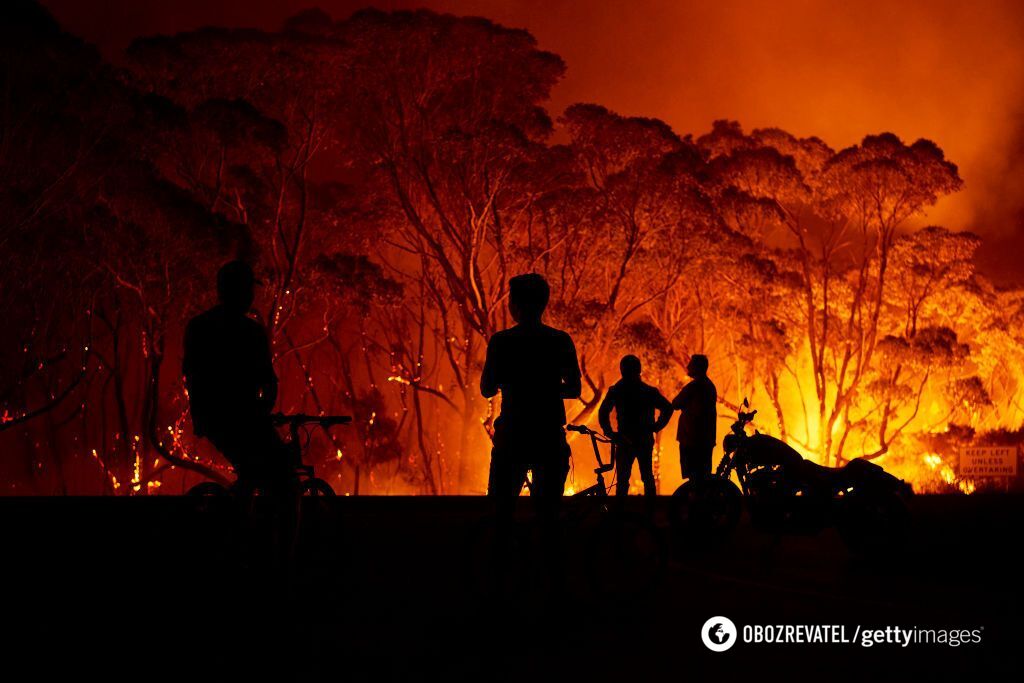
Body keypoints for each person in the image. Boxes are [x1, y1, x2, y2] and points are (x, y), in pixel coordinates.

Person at [183, 260, 292, 493]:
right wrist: (261, 412)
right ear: (240, 291)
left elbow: (191, 375)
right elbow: (268, 381)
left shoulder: (198, 327)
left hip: (211, 417)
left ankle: (237, 513)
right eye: (249, 290)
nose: (252, 296)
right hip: (244, 418)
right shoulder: (252, 333)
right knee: (282, 474)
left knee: (250, 471)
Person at [480, 273, 581, 520]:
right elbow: (574, 390)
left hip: (512, 436)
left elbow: (487, 389)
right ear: (543, 303)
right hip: (548, 436)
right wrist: (546, 388)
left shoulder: (501, 342)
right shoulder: (560, 341)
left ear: (515, 305)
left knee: (500, 514)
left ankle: (502, 556)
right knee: (549, 516)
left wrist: (515, 383)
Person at [598, 355, 672, 497]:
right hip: (643, 439)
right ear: (639, 370)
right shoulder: (648, 391)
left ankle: (620, 513)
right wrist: (656, 426)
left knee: (623, 480)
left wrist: (610, 433)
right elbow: (667, 408)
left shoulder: (617, 390)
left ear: (622, 370)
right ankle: (650, 512)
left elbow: (603, 413)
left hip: (624, 439)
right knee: (647, 477)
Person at [672, 354, 717, 482]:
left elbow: (675, 403)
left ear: (697, 367)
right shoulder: (710, 386)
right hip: (706, 440)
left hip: (691, 439)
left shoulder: (693, 387)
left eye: (691, 364)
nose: (688, 366)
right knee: (704, 477)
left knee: (694, 479)